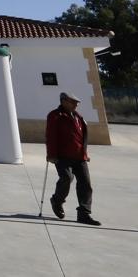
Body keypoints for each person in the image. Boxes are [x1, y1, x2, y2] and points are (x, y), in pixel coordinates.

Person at [46, 92, 100, 226]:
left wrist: (84, 153)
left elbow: (82, 137)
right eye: (73, 102)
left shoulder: (78, 117)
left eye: (77, 102)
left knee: (85, 185)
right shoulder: (55, 116)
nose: (76, 104)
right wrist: (51, 154)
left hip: (79, 156)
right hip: (62, 156)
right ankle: (57, 201)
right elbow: (51, 136)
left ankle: (84, 214)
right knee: (66, 178)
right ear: (63, 101)